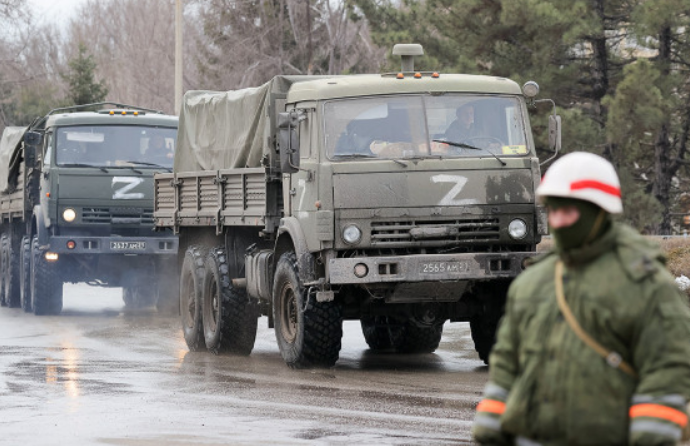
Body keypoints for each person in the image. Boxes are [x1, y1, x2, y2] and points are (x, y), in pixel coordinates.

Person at [472, 152, 690, 445]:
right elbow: (508, 362)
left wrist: (653, 432)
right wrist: (491, 421)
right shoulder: (533, 283)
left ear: (599, 212)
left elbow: (668, 365)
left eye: (569, 212)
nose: (559, 222)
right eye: (553, 211)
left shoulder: (643, 281)